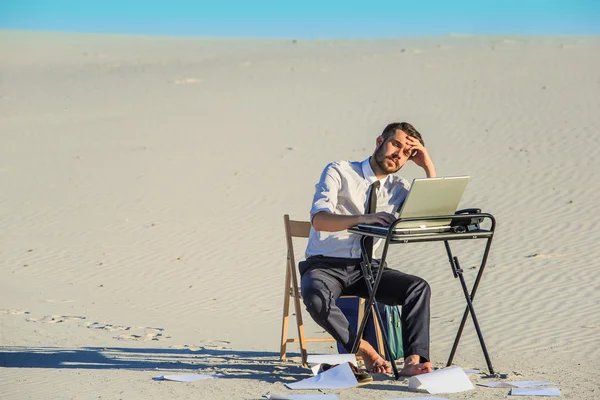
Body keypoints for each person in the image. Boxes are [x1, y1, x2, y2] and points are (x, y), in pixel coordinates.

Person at [300, 122, 436, 377]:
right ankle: (366, 350)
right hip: (326, 265)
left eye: (407, 152)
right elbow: (319, 220)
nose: (398, 154)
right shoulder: (339, 171)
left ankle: (413, 362)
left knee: (417, 288)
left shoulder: (399, 187)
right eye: (396, 144)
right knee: (315, 296)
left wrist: (428, 165)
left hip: (368, 269)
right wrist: (364, 218)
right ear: (379, 141)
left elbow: (432, 216)